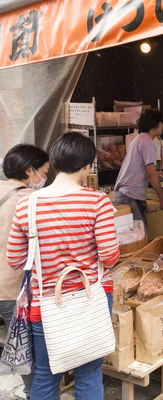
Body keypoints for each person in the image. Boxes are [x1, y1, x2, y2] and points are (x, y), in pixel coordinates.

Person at [6, 133, 120, 400]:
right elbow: (110, 256)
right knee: (89, 374)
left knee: (46, 374)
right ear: (86, 165)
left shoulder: (28, 204)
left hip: (45, 303)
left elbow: (14, 259)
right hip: (90, 297)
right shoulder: (97, 202)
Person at [0, 144, 49, 400]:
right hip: (13, 287)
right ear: (29, 171)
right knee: (26, 347)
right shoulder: (31, 200)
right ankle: (34, 393)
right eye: (44, 171)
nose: (45, 178)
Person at [114, 110, 163, 229]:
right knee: (138, 236)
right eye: (162, 123)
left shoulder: (139, 138)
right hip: (131, 197)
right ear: (155, 123)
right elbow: (150, 172)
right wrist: (162, 199)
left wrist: (158, 173)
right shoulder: (148, 142)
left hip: (124, 194)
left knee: (128, 237)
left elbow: (142, 168)